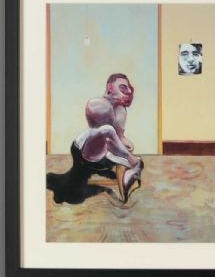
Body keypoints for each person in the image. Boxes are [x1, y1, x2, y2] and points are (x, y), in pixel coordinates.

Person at [46, 72, 145, 206]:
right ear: (110, 88)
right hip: (84, 152)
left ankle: (128, 176)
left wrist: (126, 145)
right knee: (107, 130)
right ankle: (134, 163)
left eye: (128, 89)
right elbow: (104, 134)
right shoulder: (96, 104)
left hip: (104, 154)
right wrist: (124, 155)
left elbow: (119, 137)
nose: (127, 91)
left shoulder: (121, 111)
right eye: (123, 88)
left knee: (123, 143)